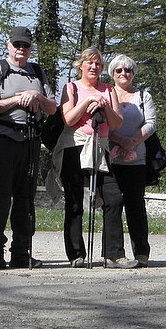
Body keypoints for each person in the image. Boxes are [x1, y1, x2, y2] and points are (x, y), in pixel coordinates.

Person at [0, 27, 57, 269]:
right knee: (0, 198)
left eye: (25, 45)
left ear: (31, 48)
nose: (21, 49)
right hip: (4, 142)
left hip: (30, 142)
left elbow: (53, 108)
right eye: (17, 45)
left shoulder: (37, 72)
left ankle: (21, 252)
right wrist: (16, 100)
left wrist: (36, 96)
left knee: (25, 199)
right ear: (8, 45)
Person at [58, 47, 137, 269]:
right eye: (90, 63)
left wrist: (103, 104)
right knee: (74, 202)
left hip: (100, 149)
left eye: (98, 64)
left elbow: (117, 123)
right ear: (81, 65)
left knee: (114, 198)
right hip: (75, 146)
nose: (94, 67)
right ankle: (76, 254)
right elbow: (69, 119)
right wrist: (86, 101)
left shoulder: (109, 90)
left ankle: (113, 254)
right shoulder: (71, 88)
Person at [108, 55, 153, 267]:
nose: (123, 73)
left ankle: (142, 253)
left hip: (137, 159)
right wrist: (120, 141)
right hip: (111, 159)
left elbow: (151, 123)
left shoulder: (144, 96)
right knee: (113, 204)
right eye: (119, 70)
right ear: (112, 74)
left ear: (134, 73)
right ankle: (114, 253)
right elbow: (103, 124)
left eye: (128, 70)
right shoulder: (106, 95)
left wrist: (132, 142)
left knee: (136, 205)